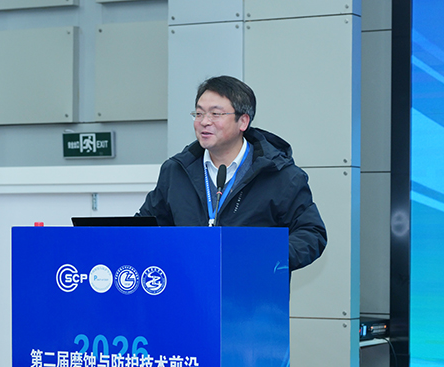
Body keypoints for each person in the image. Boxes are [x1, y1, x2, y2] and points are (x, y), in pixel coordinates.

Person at [136, 76, 326, 271]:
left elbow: (311, 233)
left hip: (251, 286)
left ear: (243, 121)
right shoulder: (176, 171)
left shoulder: (280, 175)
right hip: (188, 285)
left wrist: (267, 258)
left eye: (215, 114)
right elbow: (144, 228)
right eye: (199, 114)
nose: (204, 122)